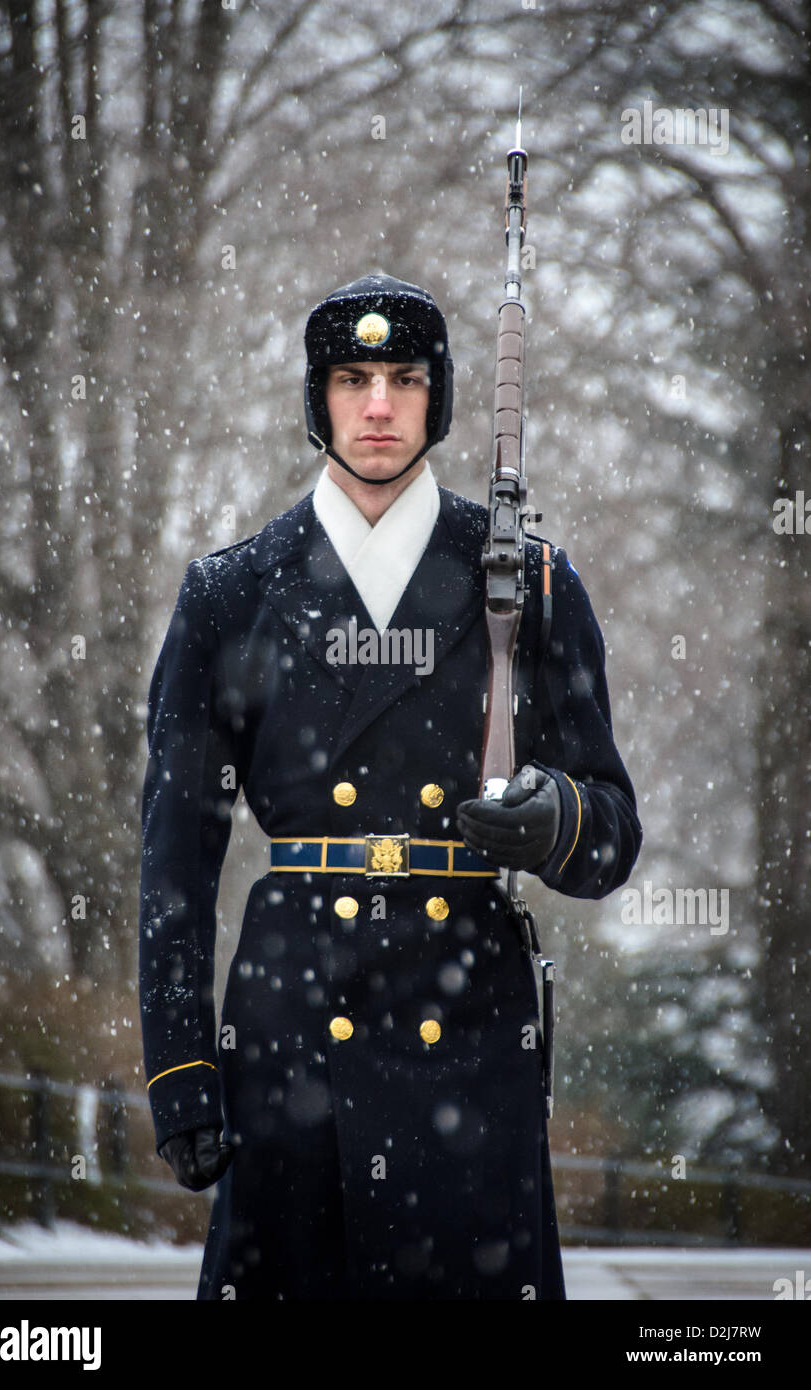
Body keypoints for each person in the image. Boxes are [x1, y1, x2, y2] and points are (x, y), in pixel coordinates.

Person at [138, 272, 642, 1300]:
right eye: (351, 377)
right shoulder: (232, 591)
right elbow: (174, 861)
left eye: (404, 378)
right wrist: (181, 1067)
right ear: (316, 398)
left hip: (467, 1020)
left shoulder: (529, 583)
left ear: (440, 398)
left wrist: (554, 818)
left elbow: (612, 833)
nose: (377, 405)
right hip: (289, 1029)